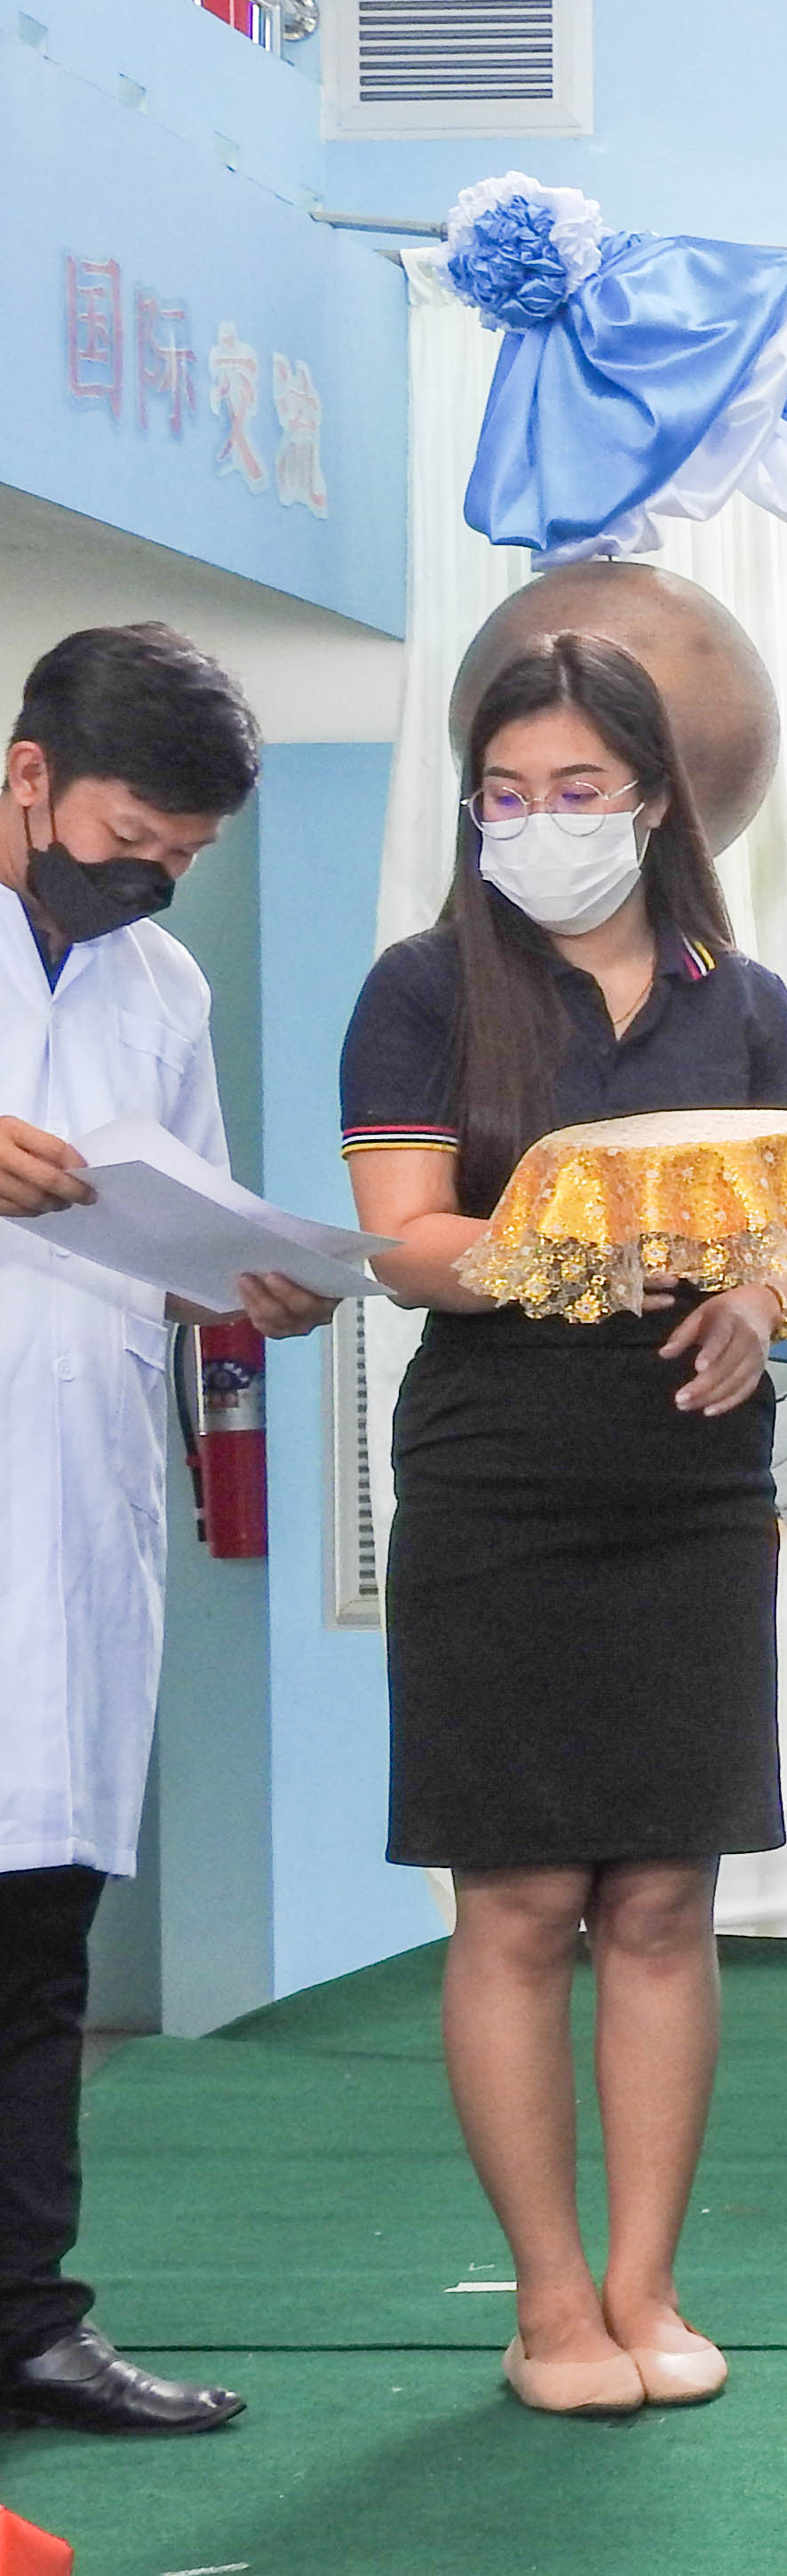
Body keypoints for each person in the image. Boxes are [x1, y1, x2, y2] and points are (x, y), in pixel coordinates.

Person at [340, 630, 787, 2419]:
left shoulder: (741, 998)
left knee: (666, 1894)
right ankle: (549, 2305)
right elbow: (404, 1241)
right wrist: (573, 1254)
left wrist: (758, 1301)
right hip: (501, 1472)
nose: (540, 823)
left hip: (692, 1476)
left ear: (654, 800)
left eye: (578, 790)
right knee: (525, 1893)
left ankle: (647, 2288)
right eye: (507, 793)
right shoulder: (422, 989)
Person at [0, 624, 334, 2437]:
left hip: (69, 1510)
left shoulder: (161, 989)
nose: (150, 882)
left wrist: (248, 1283)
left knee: (35, 1943)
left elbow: (176, 1224)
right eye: (132, 839)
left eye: (183, 859)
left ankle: (26, 2325)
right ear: (30, 775)